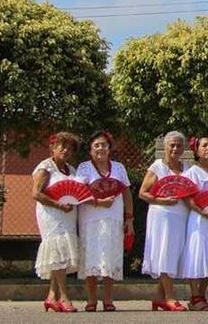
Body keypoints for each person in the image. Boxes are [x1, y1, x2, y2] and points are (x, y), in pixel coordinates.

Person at [76, 130, 133, 312]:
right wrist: (99, 202)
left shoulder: (119, 168)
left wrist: (129, 218)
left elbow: (126, 193)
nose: (101, 148)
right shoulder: (84, 168)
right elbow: (78, 194)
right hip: (90, 220)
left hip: (113, 219)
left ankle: (108, 299)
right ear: (90, 149)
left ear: (109, 148)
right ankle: (91, 299)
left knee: (110, 258)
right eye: (97, 145)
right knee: (91, 259)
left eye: (104, 145)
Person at [140, 131, 190, 311]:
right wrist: (162, 200)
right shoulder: (157, 167)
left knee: (173, 254)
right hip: (162, 215)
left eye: (179, 145)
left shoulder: (187, 168)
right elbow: (143, 193)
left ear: (184, 148)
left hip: (181, 216)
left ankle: (159, 297)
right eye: (172, 145)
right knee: (164, 252)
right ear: (165, 147)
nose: (175, 148)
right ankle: (170, 297)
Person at [33, 132, 82, 313]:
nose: (65, 150)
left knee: (61, 254)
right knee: (57, 252)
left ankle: (51, 297)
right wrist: (58, 205)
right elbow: (36, 193)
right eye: (62, 146)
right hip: (52, 214)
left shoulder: (72, 170)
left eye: (70, 148)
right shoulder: (45, 167)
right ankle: (64, 297)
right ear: (53, 147)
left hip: (69, 214)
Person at [181, 136, 208, 311]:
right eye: (204, 145)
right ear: (196, 150)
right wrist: (202, 211)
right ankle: (195, 295)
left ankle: (201, 295)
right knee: (197, 255)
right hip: (199, 219)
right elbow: (187, 197)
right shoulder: (192, 172)